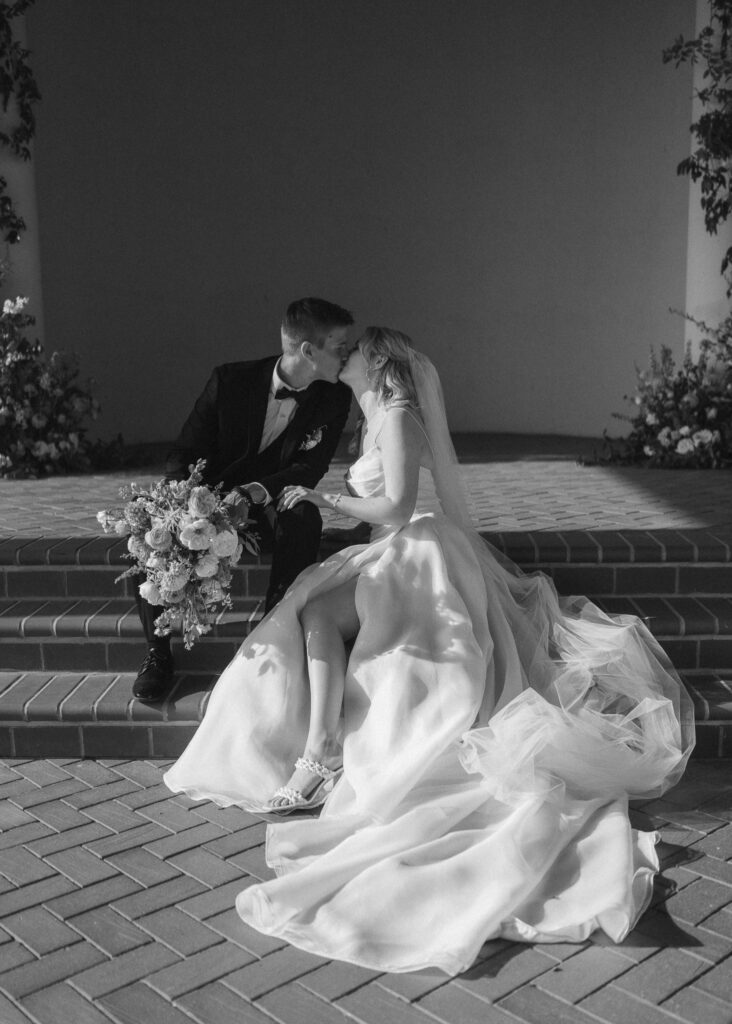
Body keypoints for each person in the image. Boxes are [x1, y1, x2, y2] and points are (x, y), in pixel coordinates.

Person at [163, 328, 694, 976]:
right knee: (309, 615)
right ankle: (316, 750)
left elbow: (399, 504)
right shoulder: (372, 415)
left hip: (418, 553)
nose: (343, 358)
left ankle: (319, 752)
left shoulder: (401, 416)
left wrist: (326, 499)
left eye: (352, 353)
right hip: (392, 548)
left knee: (320, 618)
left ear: (377, 361)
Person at [133, 297, 354, 702]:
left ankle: (278, 633)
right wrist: (185, 503)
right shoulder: (230, 381)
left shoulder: (334, 398)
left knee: (302, 512)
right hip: (206, 499)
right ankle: (158, 655)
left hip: (267, 502)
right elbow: (183, 453)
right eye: (340, 345)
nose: (347, 353)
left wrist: (257, 492)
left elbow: (310, 468)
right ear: (308, 350)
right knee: (150, 529)